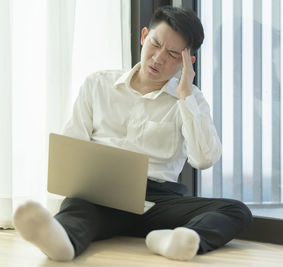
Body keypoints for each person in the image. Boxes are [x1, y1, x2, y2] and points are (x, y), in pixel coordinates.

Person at [13, 6, 252, 262]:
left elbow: (204, 159)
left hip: (158, 202)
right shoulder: (98, 84)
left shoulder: (190, 100)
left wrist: (185, 96)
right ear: (144, 36)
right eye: (156, 44)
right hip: (101, 195)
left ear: (187, 61)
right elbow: (72, 144)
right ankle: (63, 241)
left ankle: (172, 239)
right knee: (77, 208)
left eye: (172, 54)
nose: (158, 58)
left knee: (236, 210)